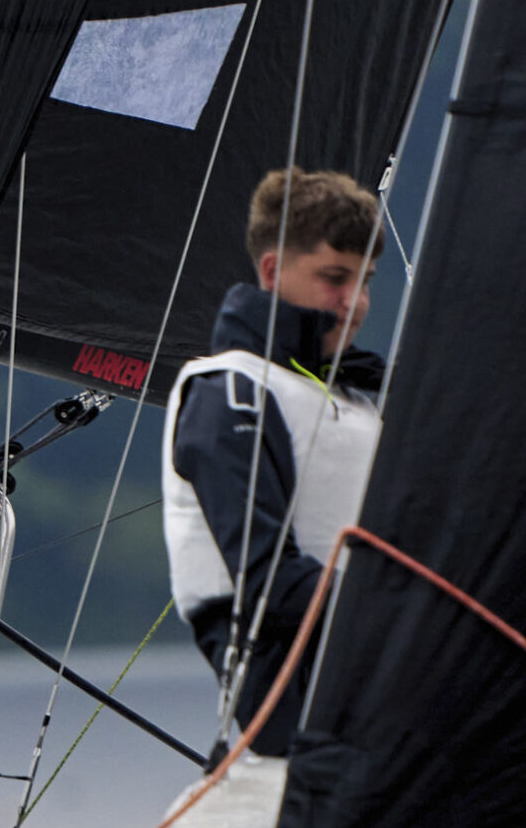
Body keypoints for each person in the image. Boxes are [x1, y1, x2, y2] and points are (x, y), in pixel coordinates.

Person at [162, 168, 388, 757]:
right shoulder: (229, 390)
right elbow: (267, 582)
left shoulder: (363, 397)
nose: (354, 303)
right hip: (293, 678)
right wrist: (409, 611)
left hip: (377, 660)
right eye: (334, 278)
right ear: (271, 272)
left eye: (365, 281)